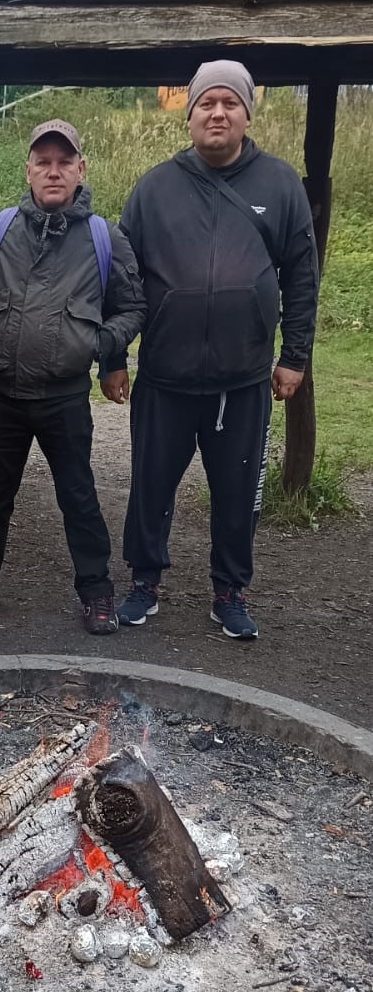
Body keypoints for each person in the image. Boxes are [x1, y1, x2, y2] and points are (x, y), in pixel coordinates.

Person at [106, 61, 319, 640]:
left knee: (236, 490)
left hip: (242, 379)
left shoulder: (280, 184)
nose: (217, 112)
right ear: (191, 113)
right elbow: (123, 280)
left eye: (230, 102)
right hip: (166, 378)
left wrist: (294, 355)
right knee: (150, 487)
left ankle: (230, 590)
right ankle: (144, 582)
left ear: (248, 112)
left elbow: (302, 275)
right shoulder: (154, 187)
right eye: (206, 103)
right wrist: (116, 356)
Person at [0, 119, 147, 636]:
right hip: (1, 396)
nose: (53, 172)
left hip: (64, 398)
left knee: (78, 497)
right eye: (43, 163)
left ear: (81, 169)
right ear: (28, 170)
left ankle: (97, 592)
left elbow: (133, 306)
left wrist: (98, 346)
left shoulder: (105, 238)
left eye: (64, 162)